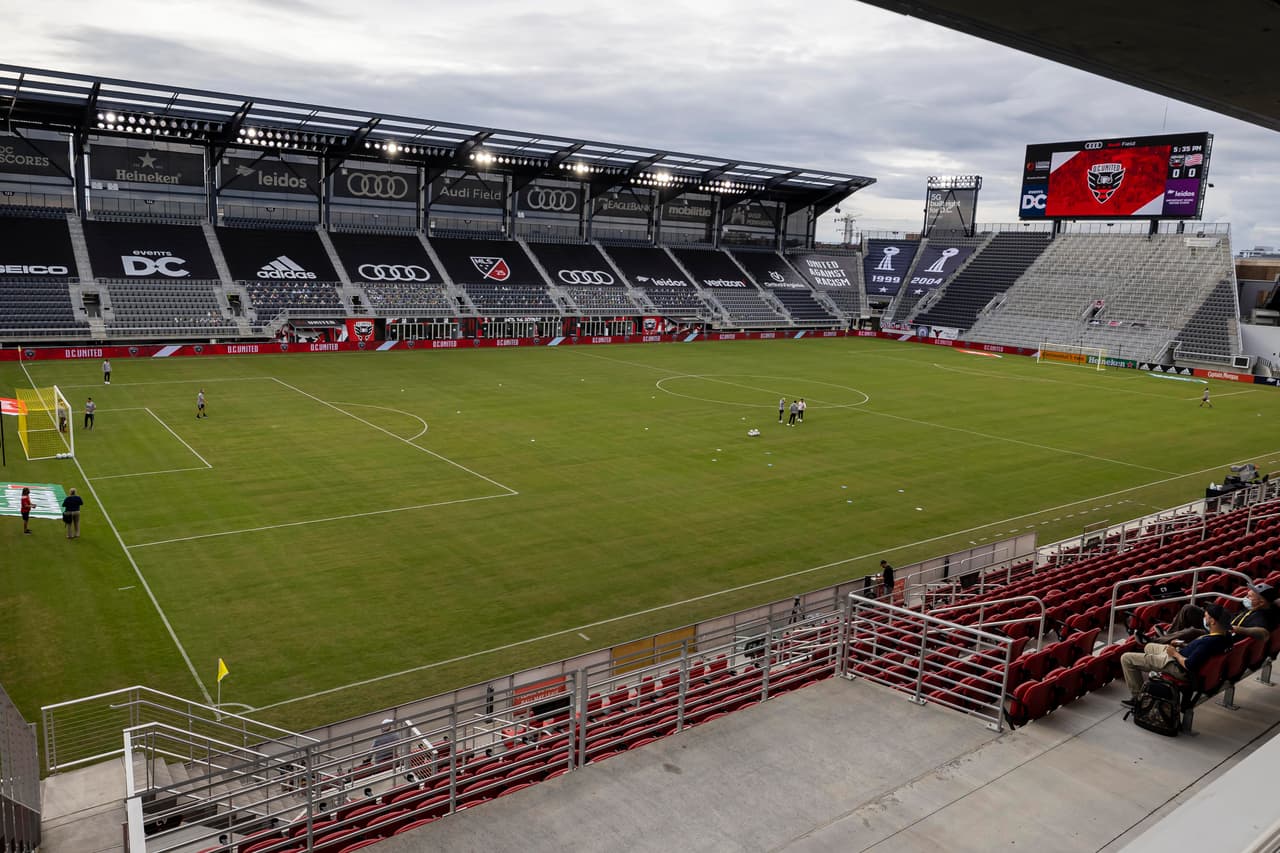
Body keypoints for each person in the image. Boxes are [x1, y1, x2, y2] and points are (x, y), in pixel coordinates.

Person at [1120, 603, 1233, 706]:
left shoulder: (1208, 643)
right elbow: (1201, 653)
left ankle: (1139, 699)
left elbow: (1189, 665)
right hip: (1180, 655)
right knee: (1148, 647)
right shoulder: (1225, 637)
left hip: (1177, 666)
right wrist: (1184, 646)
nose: (1204, 618)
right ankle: (1153, 644)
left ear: (1213, 621)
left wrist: (1174, 653)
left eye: (1206, 616)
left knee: (1126, 658)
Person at [1140, 603, 1205, 645]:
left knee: (1192, 631)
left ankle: (1152, 642)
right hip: (1211, 621)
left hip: (1212, 631)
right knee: (1188, 608)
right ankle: (1169, 634)